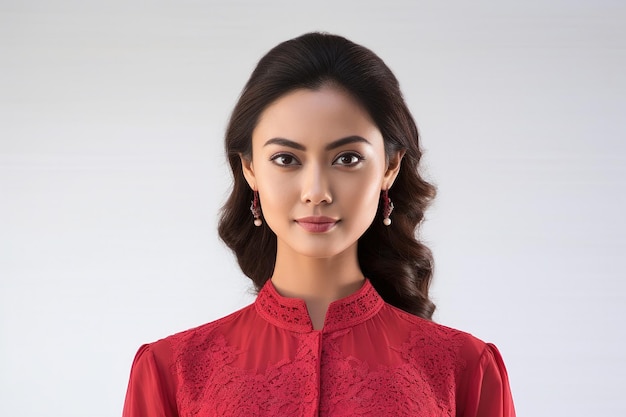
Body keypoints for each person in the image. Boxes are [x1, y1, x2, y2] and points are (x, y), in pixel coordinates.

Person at [122, 32, 516, 417]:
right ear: (249, 169)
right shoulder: (172, 371)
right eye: (286, 159)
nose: (316, 192)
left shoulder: (463, 369)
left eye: (347, 158)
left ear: (390, 167)